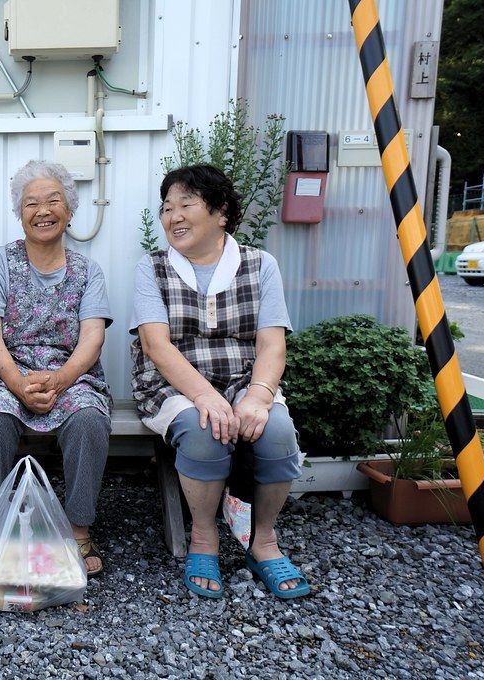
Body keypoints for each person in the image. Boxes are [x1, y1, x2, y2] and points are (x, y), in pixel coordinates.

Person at [130, 164, 309, 599]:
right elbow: (156, 345)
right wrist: (205, 396)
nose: (173, 216)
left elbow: (272, 343)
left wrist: (260, 395)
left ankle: (264, 541)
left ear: (222, 212)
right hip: (172, 385)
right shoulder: (153, 267)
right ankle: (204, 536)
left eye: (186, 205)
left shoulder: (260, 264)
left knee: (277, 430)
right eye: (167, 208)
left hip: (244, 380)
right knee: (203, 428)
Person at [0, 160, 113, 577]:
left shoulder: (87, 271)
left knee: (89, 418)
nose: (43, 211)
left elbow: (92, 338)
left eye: (54, 201)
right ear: (19, 212)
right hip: (4, 371)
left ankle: (78, 527)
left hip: (70, 373)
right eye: (31, 203)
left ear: (70, 209)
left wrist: (60, 380)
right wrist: (17, 383)